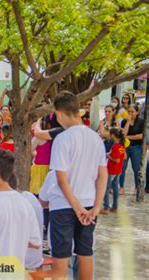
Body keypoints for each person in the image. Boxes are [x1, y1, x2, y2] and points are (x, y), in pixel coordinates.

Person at [49, 91, 107, 279]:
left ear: (59, 114)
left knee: (60, 260)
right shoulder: (96, 138)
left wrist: (77, 208)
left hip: (63, 206)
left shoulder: (62, 139)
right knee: (85, 252)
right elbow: (102, 175)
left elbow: (61, 179)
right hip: (89, 205)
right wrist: (96, 207)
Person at [101, 128, 126, 214]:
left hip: (112, 169)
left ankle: (106, 207)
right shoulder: (121, 146)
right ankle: (115, 206)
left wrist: (108, 156)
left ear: (112, 135)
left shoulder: (115, 147)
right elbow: (124, 156)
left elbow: (116, 160)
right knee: (115, 188)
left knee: (106, 188)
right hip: (118, 170)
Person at [120, 104, 144, 192]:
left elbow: (141, 136)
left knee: (136, 168)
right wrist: (127, 122)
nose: (130, 113)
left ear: (137, 112)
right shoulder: (124, 121)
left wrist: (128, 137)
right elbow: (123, 134)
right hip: (125, 146)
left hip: (136, 147)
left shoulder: (141, 122)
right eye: (128, 111)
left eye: (132, 112)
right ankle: (121, 187)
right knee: (122, 167)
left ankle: (137, 188)